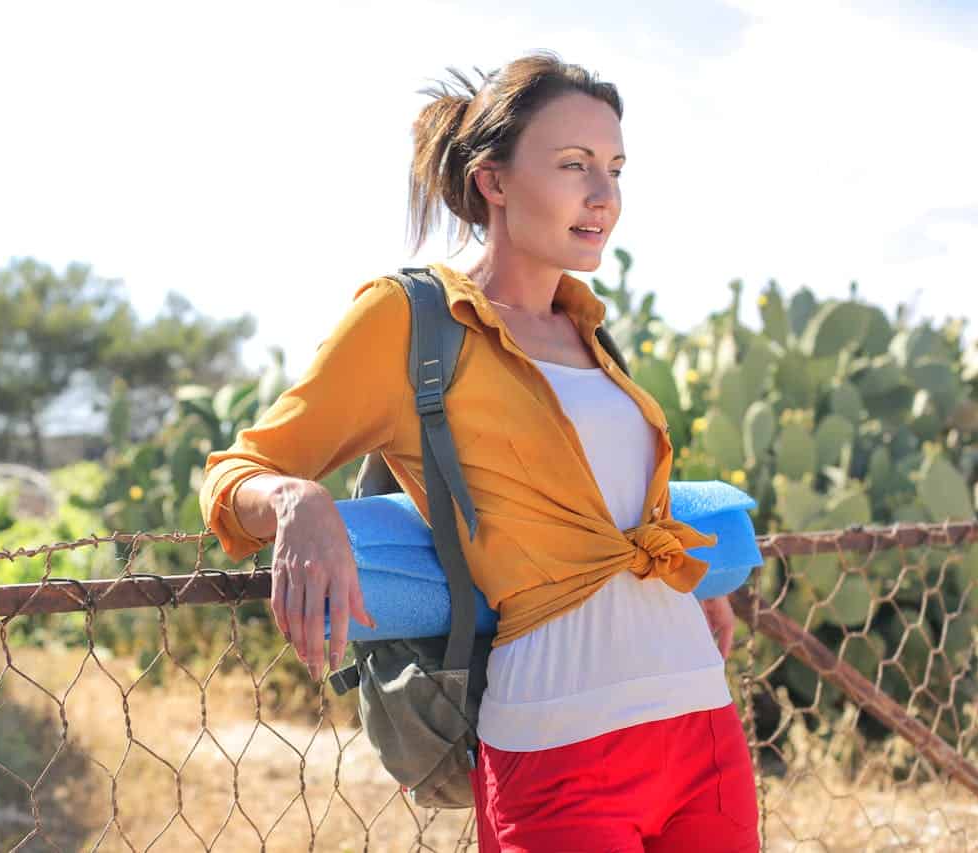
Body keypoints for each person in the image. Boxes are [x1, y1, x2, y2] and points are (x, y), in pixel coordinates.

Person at [198, 50, 761, 853]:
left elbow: (608, 506)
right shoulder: (408, 320)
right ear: (493, 181)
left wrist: (686, 575)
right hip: (558, 747)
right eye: (573, 165)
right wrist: (300, 501)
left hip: (700, 725)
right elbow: (235, 469)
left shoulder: (591, 332)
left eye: (615, 168)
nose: (603, 195)